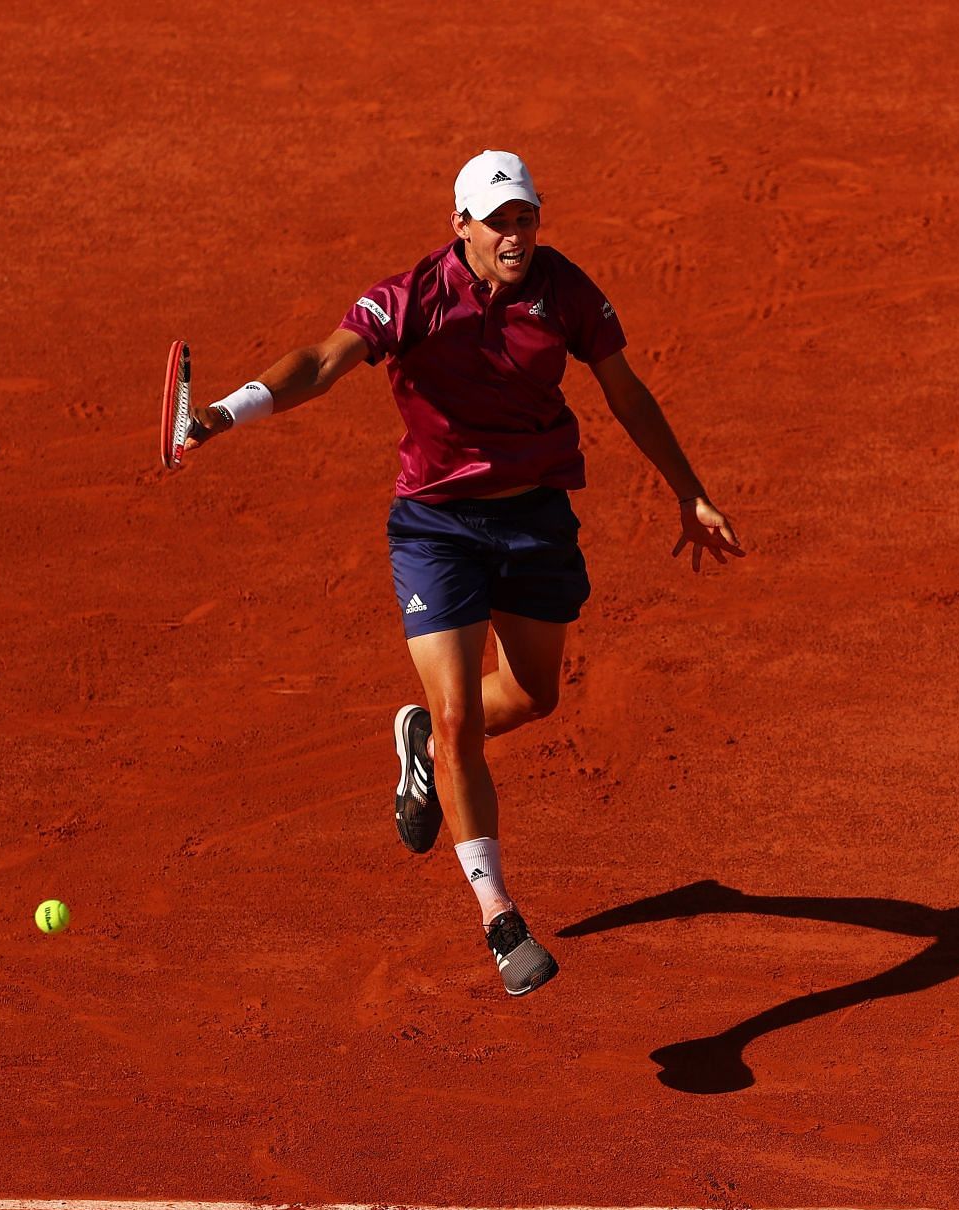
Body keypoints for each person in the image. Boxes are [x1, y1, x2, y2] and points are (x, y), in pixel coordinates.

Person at [179, 149, 745, 997]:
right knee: (457, 719)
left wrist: (689, 493)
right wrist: (224, 412)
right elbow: (321, 362)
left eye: (525, 217)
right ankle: (500, 918)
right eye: (498, 220)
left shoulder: (565, 290)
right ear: (462, 226)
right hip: (437, 528)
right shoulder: (410, 299)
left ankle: (418, 740)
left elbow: (625, 391)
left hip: (535, 517)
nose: (515, 235)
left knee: (530, 697)